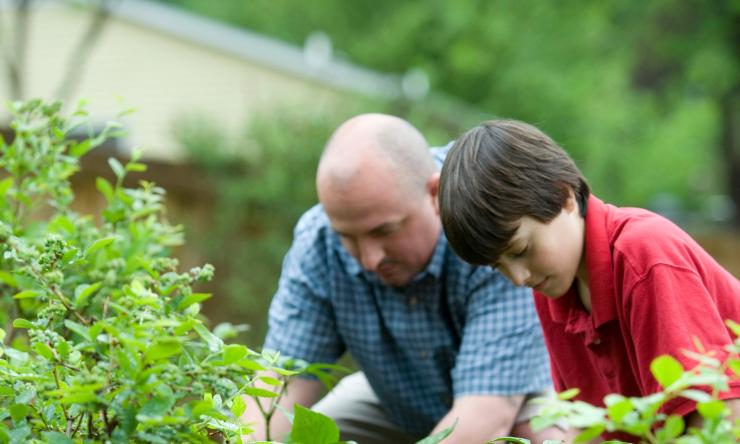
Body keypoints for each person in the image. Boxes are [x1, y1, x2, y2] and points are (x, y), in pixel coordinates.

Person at [241, 114, 560, 443]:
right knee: (315, 434)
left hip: (514, 393)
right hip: (398, 398)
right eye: (348, 237)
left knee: (545, 437)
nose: (369, 259)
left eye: (384, 231)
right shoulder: (319, 242)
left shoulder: (484, 218)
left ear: (434, 193)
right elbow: (281, 385)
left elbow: (484, 416)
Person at [437, 119, 740, 441]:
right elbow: (592, 430)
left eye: (522, 249)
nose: (518, 278)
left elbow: (720, 417)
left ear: (564, 196)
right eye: (497, 266)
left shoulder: (642, 254)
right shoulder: (553, 292)